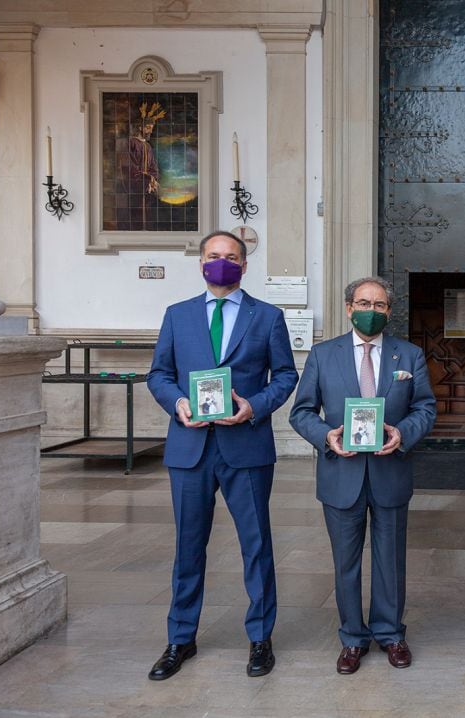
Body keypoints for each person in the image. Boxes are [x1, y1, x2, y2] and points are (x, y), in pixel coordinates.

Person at [146, 230, 299, 681]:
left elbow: (286, 376)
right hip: (190, 447)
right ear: (201, 262)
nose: (222, 263)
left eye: (231, 257)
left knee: (256, 546)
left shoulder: (267, 316)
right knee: (188, 548)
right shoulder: (178, 316)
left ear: (244, 265)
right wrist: (178, 403)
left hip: (246, 447)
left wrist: (254, 406)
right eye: (214, 256)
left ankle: (260, 638)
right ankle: (180, 638)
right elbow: (159, 374)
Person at [289, 277, 436, 675]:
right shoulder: (323, 355)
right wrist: (327, 437)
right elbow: (300, 412)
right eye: (364, 302)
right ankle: (353, 638)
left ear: (390, 311)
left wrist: (403, 432)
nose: (372, 310)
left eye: (381, 304)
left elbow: (425, 407)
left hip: (391, 471)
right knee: (346, 562)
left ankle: (390, 633)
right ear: (349, 307)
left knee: (390, 560)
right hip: (341, 474)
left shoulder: (409, 356)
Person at [117, 101, 163, 231]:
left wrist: (153, 178)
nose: (150, 131)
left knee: (147, 214)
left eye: (151, 128)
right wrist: (145, 178)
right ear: (140, 127)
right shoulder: (131, 143)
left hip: (147, 185)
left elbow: (153, 165)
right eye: (148, 127)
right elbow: (128, 165)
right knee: (135, 212)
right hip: (135, 185)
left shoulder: (148, 146)